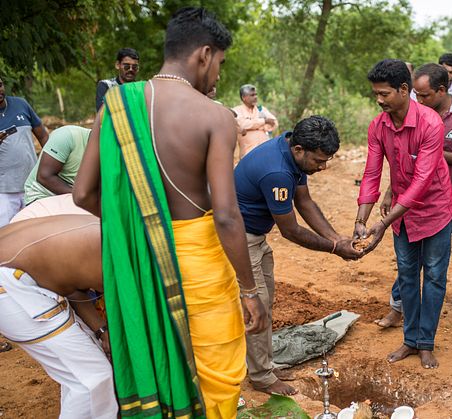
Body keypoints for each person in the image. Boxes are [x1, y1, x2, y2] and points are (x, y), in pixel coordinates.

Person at [74, 7, 268, 418]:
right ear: (204, 53)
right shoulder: (216, 117)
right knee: (216, 376)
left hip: (140, 269)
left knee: (160, 365)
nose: (217, 75)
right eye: (220, 63)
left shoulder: (115, 106)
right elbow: (228, 217)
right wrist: (250, 291)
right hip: (201, 272)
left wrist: (138, 231)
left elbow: (83, 194)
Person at [234, 115, 362, 395]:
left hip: (254, 236)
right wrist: (333, 248)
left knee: (265, 302)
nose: (323, 166)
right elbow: (290, 231)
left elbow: (304, 200)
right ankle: (261, 377)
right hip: (241, 240)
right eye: (319, 161)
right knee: (257, 305)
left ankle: (263, 364)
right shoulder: (277, 171)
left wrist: (337, 238)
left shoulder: (291, 149)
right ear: (299, 150)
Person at [376, 63, 452, 339]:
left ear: (442, 90)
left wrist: (437, 155)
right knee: (411, 263)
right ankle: (398, 308)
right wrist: (392, 189)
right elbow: (403, 158)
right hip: (425, 204)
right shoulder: (416, 116)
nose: (419, 100)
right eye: (416, 94)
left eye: (425, 95)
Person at [355, 59, 452, 369]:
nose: (379, 100)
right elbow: (372, 173)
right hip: (403, 215)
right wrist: (362, 219)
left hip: (436, 209)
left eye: (384, 93)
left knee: (436, 278)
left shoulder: (430, 123)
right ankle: (410, 340)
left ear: (404, 90)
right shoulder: (378, 125)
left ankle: (426, 342)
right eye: (375, 94)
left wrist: (382, 223)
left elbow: (422, 181)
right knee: (408, 277)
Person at [0, 214, 117, 418]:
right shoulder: (109, 247)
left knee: (82, 373)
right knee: (92, 379)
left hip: (20, 279)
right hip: (11, 288)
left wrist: (101, 331)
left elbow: (71, 287)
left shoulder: (103, 226)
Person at [0, 76, 49, 227]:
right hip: (4, 191)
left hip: (32, 186)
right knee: (6, 236)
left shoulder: (20, 104)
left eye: (0, 84)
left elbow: (43, 136)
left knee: (38, 231)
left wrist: (52, 166)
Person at [23, 125, 90, 205]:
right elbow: (44, 177)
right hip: (42, 196)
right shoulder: (67, 135)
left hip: (72, 199)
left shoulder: (106, 152)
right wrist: (81, 197)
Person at [232, 84, 278, 157]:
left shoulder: (261, 109)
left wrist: (252, 126)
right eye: (252, 95)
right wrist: (264, 122)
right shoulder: (237, 111)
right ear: (244, 97)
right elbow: (242, 125)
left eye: (256, 94)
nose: (255, 97)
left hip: (265, 152)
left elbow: (274, 123)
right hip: (248, 154)